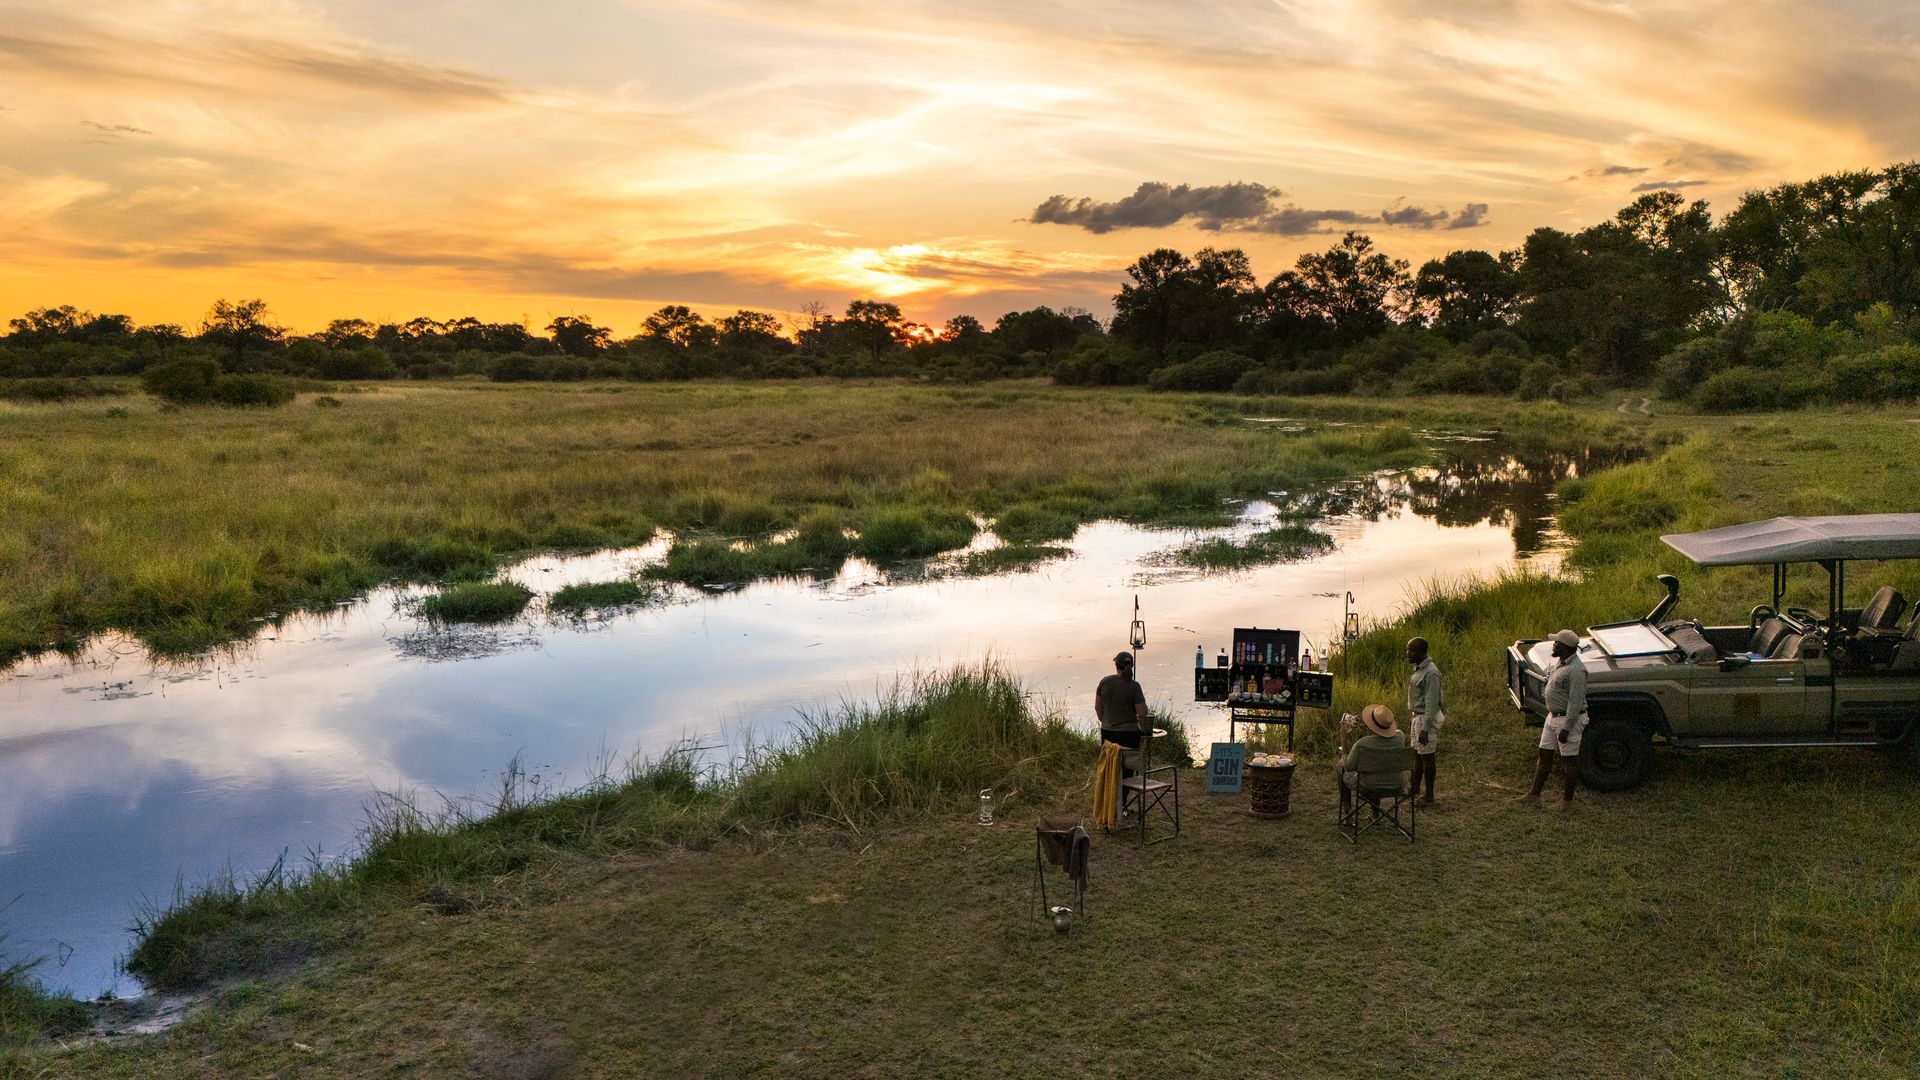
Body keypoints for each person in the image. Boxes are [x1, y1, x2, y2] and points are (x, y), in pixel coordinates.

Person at [1520, 629, 1586, 810]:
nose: (1554, 645)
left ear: (1564, 647)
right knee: (1544, 753)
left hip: (1567, 720)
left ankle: (1567, 802)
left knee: (1569, 761)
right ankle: (1534, 794)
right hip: (1553, 717)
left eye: (1557, 643)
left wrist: (1566, 728)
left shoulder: (1577, 671)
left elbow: (1575, 702)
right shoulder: (1562, 663)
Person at [1338, 704, 1409, 818]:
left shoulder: (1362, 744)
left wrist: (1343, 739)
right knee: (1379, 770)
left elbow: (1348, 767)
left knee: (1340, 765)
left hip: (1369, 787)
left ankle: (1348, 815)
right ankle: (1375, 814)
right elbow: (1392, 732)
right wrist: (1373, 727)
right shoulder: (1400, 737)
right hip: (1396, 786)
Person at [1405, 637, 1443, 805]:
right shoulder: (1419, 668)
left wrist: (1425, 728)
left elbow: (1432, 702)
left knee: (1427, 756)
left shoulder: (1431, 672)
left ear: (1421, 652)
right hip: (1417, 717)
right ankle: (1414, 788)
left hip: (1424, 719)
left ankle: (1429, 796)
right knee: (1417, 754)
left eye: (1411, 650)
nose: (1408, 653)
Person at [1094, 651, 1150, 750]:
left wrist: (1106, 722)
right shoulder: (1134, 686)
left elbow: (1098, 708)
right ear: (1131, 666)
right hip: (1129, 735)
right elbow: (1142, 713)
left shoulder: (1104, 682)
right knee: (1130, 761)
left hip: (1107, 734)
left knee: (1110, 761)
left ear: (1116, 666)